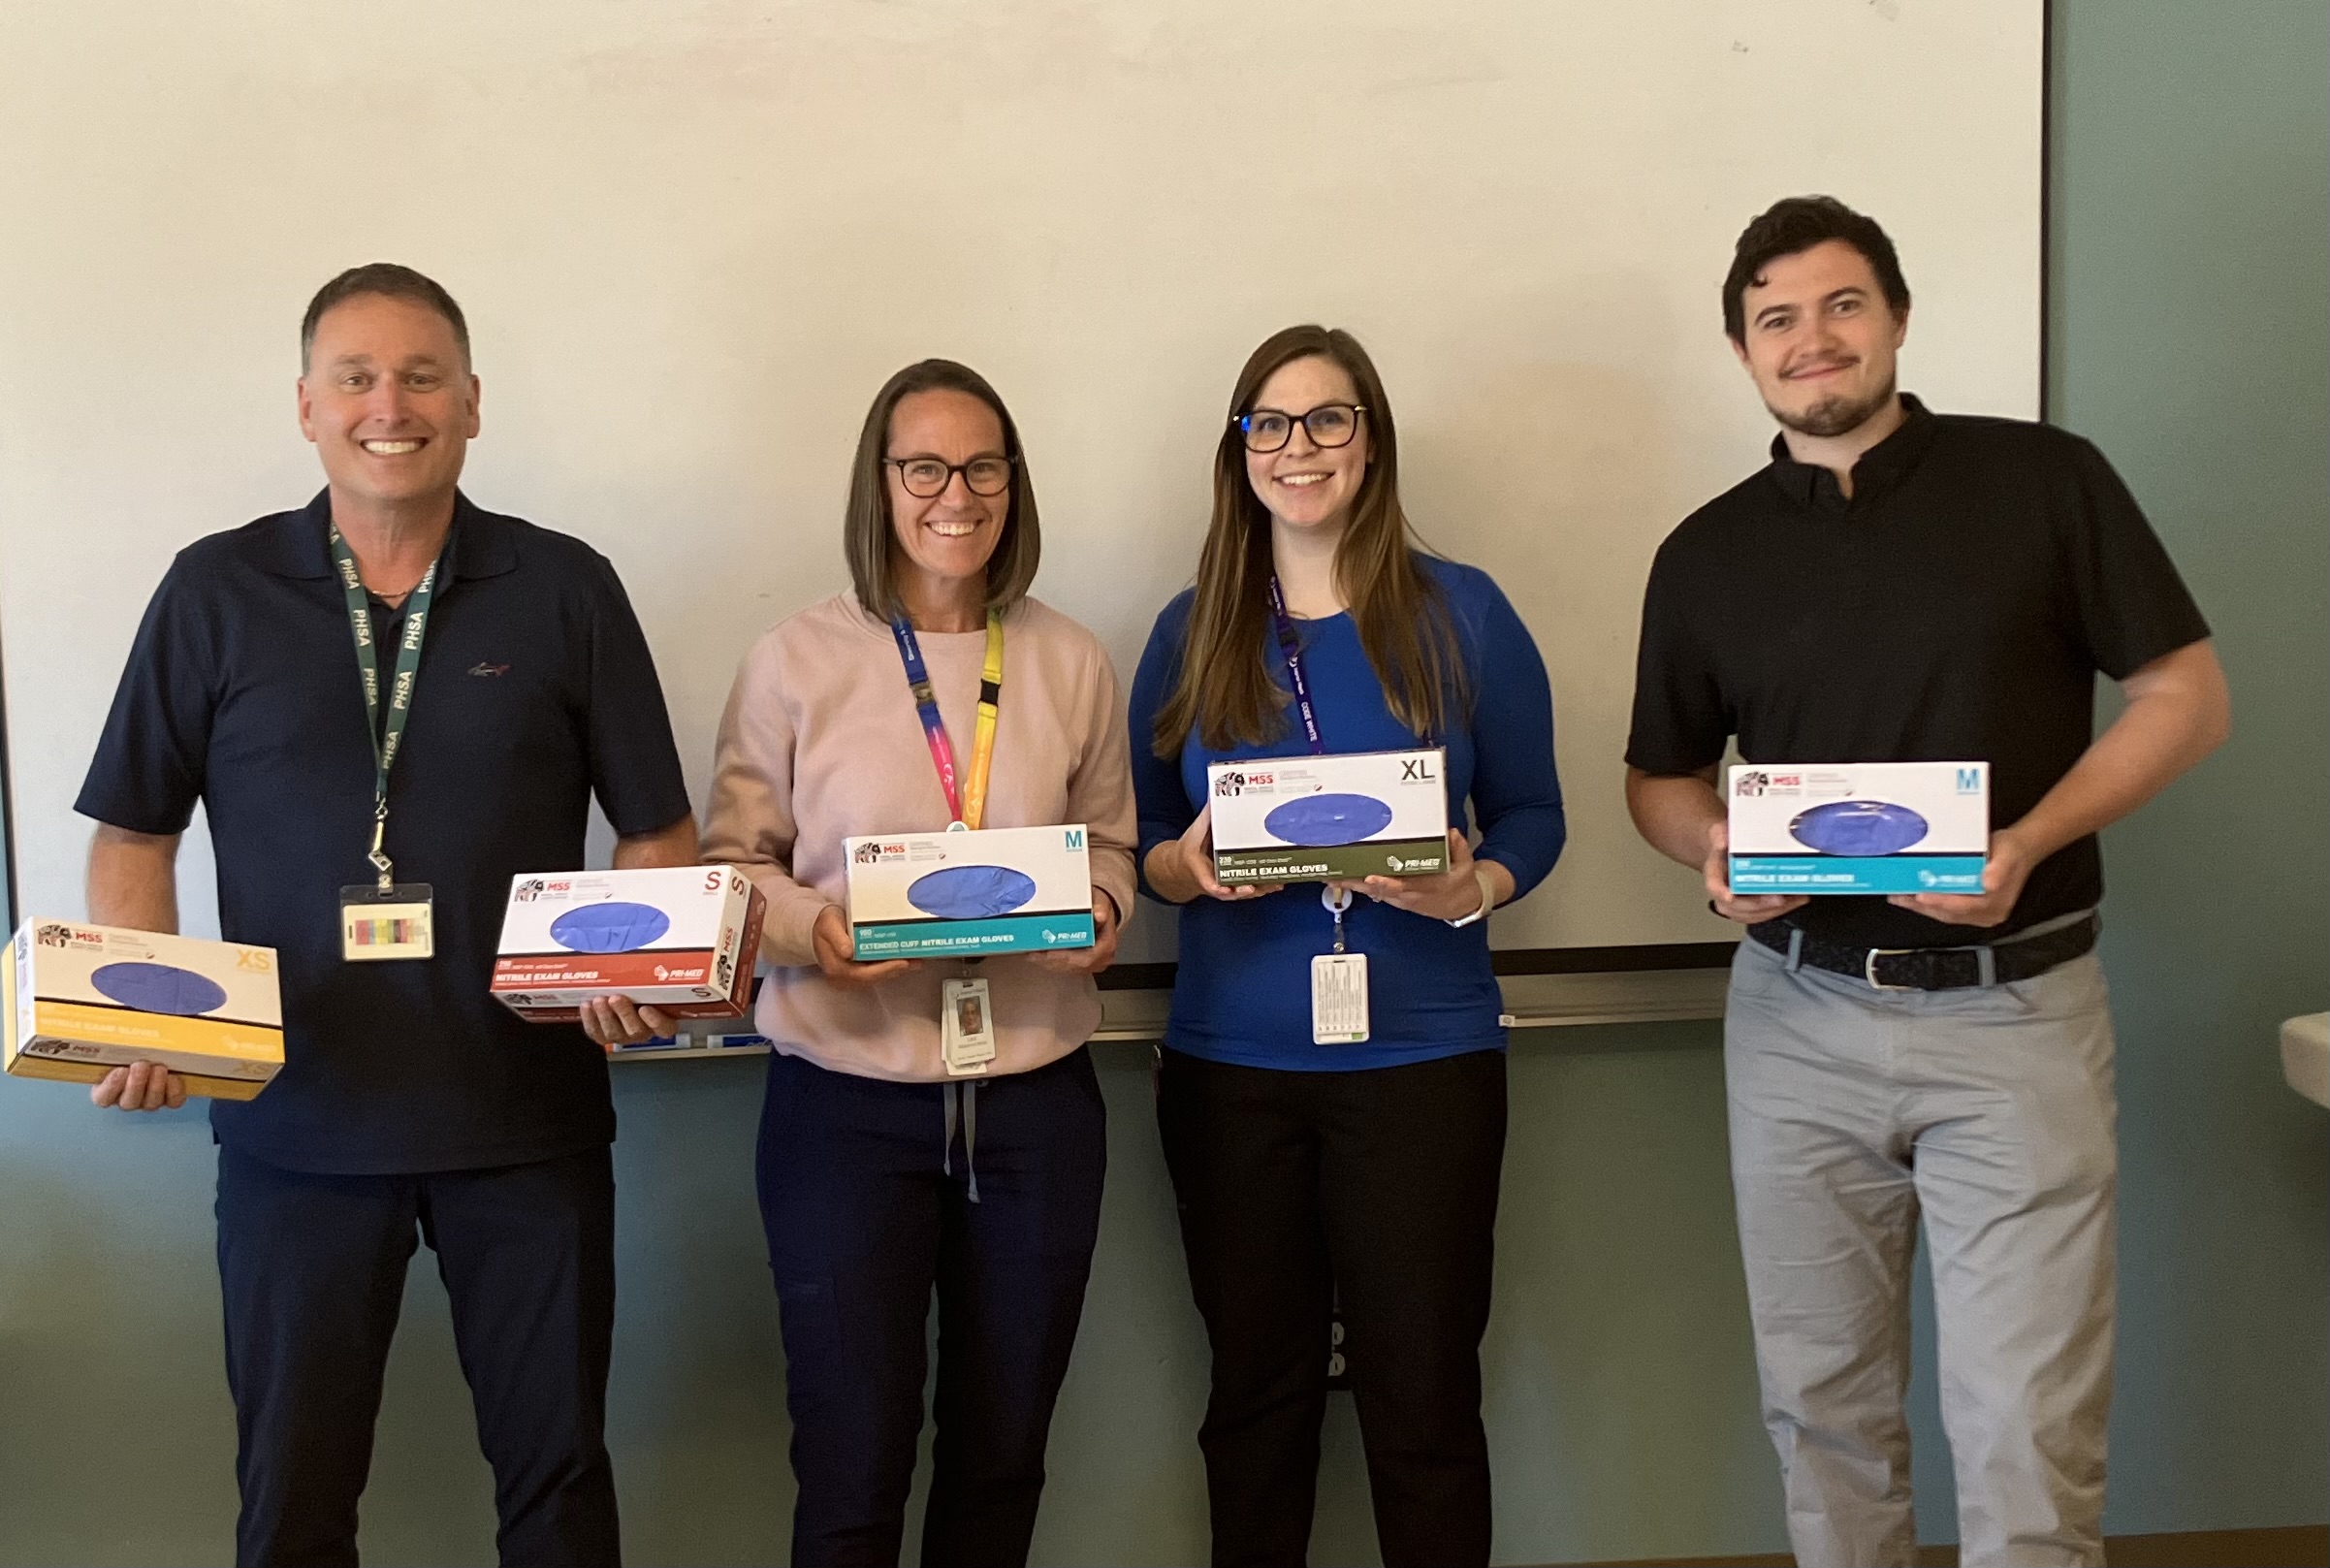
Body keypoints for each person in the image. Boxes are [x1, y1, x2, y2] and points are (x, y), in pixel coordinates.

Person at [1624, 197, 2230, 1568]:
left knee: (2022, 1422)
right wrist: (1708, 848)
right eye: (1774, 318)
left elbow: (2182, 698)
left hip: (2014, 1015)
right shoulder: (1702, 552)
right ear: (1740, 352)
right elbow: (1656, 782)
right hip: (1791, 1020)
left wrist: (2023, 840)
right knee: (1821, 1413)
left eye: (1840, 304)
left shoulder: (2043, 482)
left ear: (1893, 316)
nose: (1810, 338)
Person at [78, 263, 697, 1568]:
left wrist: (643, 964)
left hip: (525, 1126)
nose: (389, 404)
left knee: (558, 1489)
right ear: (306, 406)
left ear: (471, 402)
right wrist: (137, 1009)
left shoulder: (565, 587)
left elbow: (656, 830)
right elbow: (135, 829)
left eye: (421, 376)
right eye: (355, 377)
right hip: (295, 1129)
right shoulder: (214, 591)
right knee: (294, 1498)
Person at [1128, 324, 1565, 1568]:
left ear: (1370, 443)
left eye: (1329, 419)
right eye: (1270, 422)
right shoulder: (1190, 628)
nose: (1298, 447)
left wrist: (1473, 887)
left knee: (1422, 1402)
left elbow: (1537, 812)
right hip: (1232, 1074)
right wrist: (1180, 868)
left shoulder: (1462, 613)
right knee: (1254, 1406)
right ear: (1239, 450)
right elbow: (1147, 839)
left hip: (1423, 1066)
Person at [698, 359, 1136, 1568]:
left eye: (983, 465)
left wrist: (1103, 901)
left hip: (1036, 1105)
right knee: (853, 1461)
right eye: (925, 467)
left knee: (1004, 1457)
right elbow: (735, 864)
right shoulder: (796, 661)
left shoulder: (1069, 659)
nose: (958, 493)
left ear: (1014, 482)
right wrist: (815, 934)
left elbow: (1113, 845)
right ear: (880, 484)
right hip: (843, 1109)